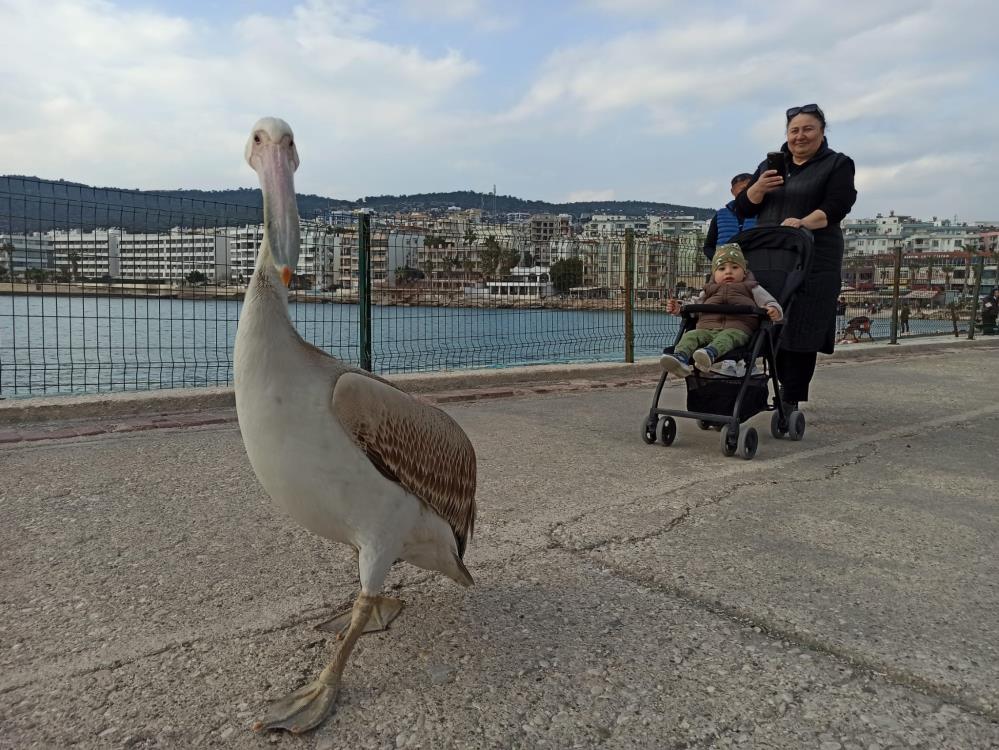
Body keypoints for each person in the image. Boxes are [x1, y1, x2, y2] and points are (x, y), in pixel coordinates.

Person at [734, 103, 857, 410]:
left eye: (808, 129)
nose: (800, 136)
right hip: (769, 255)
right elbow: (744, 208)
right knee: (762, 320)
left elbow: (838, 205)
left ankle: (790, 398)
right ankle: (747, 390)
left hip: (815, 255)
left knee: (802, 325)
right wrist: (757, 188)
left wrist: (803, 221)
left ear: (822, 131)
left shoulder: (837, 164)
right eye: (794, 130)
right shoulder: (771, 164)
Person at [660, 243, 783, 378]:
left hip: (737, 329)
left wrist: (773, 310)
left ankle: (709, 353)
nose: (728, 272)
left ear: (744, 272)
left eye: (735, 267)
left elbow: (769, 302)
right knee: (691, 335)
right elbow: (694, 306)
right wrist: (679, 308)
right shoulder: (708, 291)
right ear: (714, 274)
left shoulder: (752, 288)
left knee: (727, 337)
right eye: (722, 269)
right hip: (706, 329)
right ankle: (680, 358)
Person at [702, 173, 758, 260]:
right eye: (743, 189)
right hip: (728, 268)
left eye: (751, 188)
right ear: (732, 191)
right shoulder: (720, 215)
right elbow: (708, 246)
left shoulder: (765, 212)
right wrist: (719, 261)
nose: (747, 192)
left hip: (757, 266)